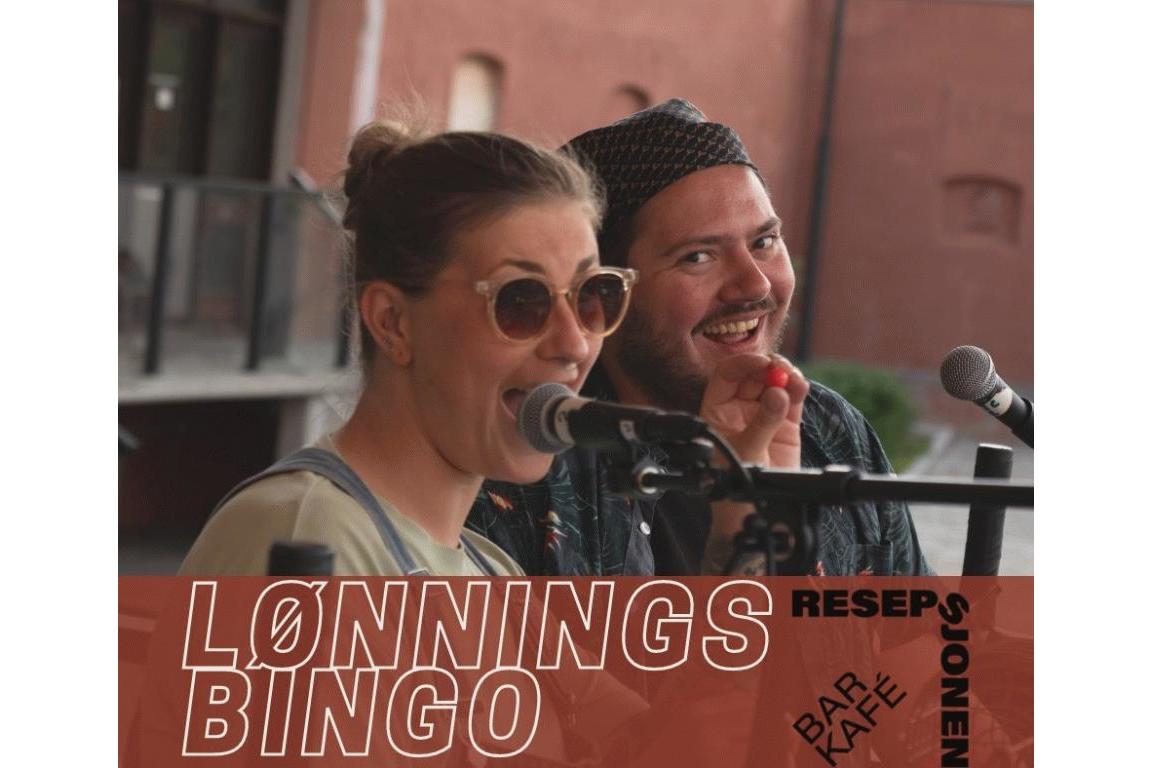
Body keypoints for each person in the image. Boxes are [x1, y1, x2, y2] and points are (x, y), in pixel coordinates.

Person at [469, 98, 931, 577]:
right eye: (697, 257)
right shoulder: (527, 464)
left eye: (764, 242)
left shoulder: (827, 428)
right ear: (604, 294)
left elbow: (914, 620)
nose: (755, 285)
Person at [179, 119, 639, 577]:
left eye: (591, 296)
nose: (574, 343)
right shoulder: (304, 537)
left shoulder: (494, 569)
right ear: (392, 322)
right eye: (520, 301)